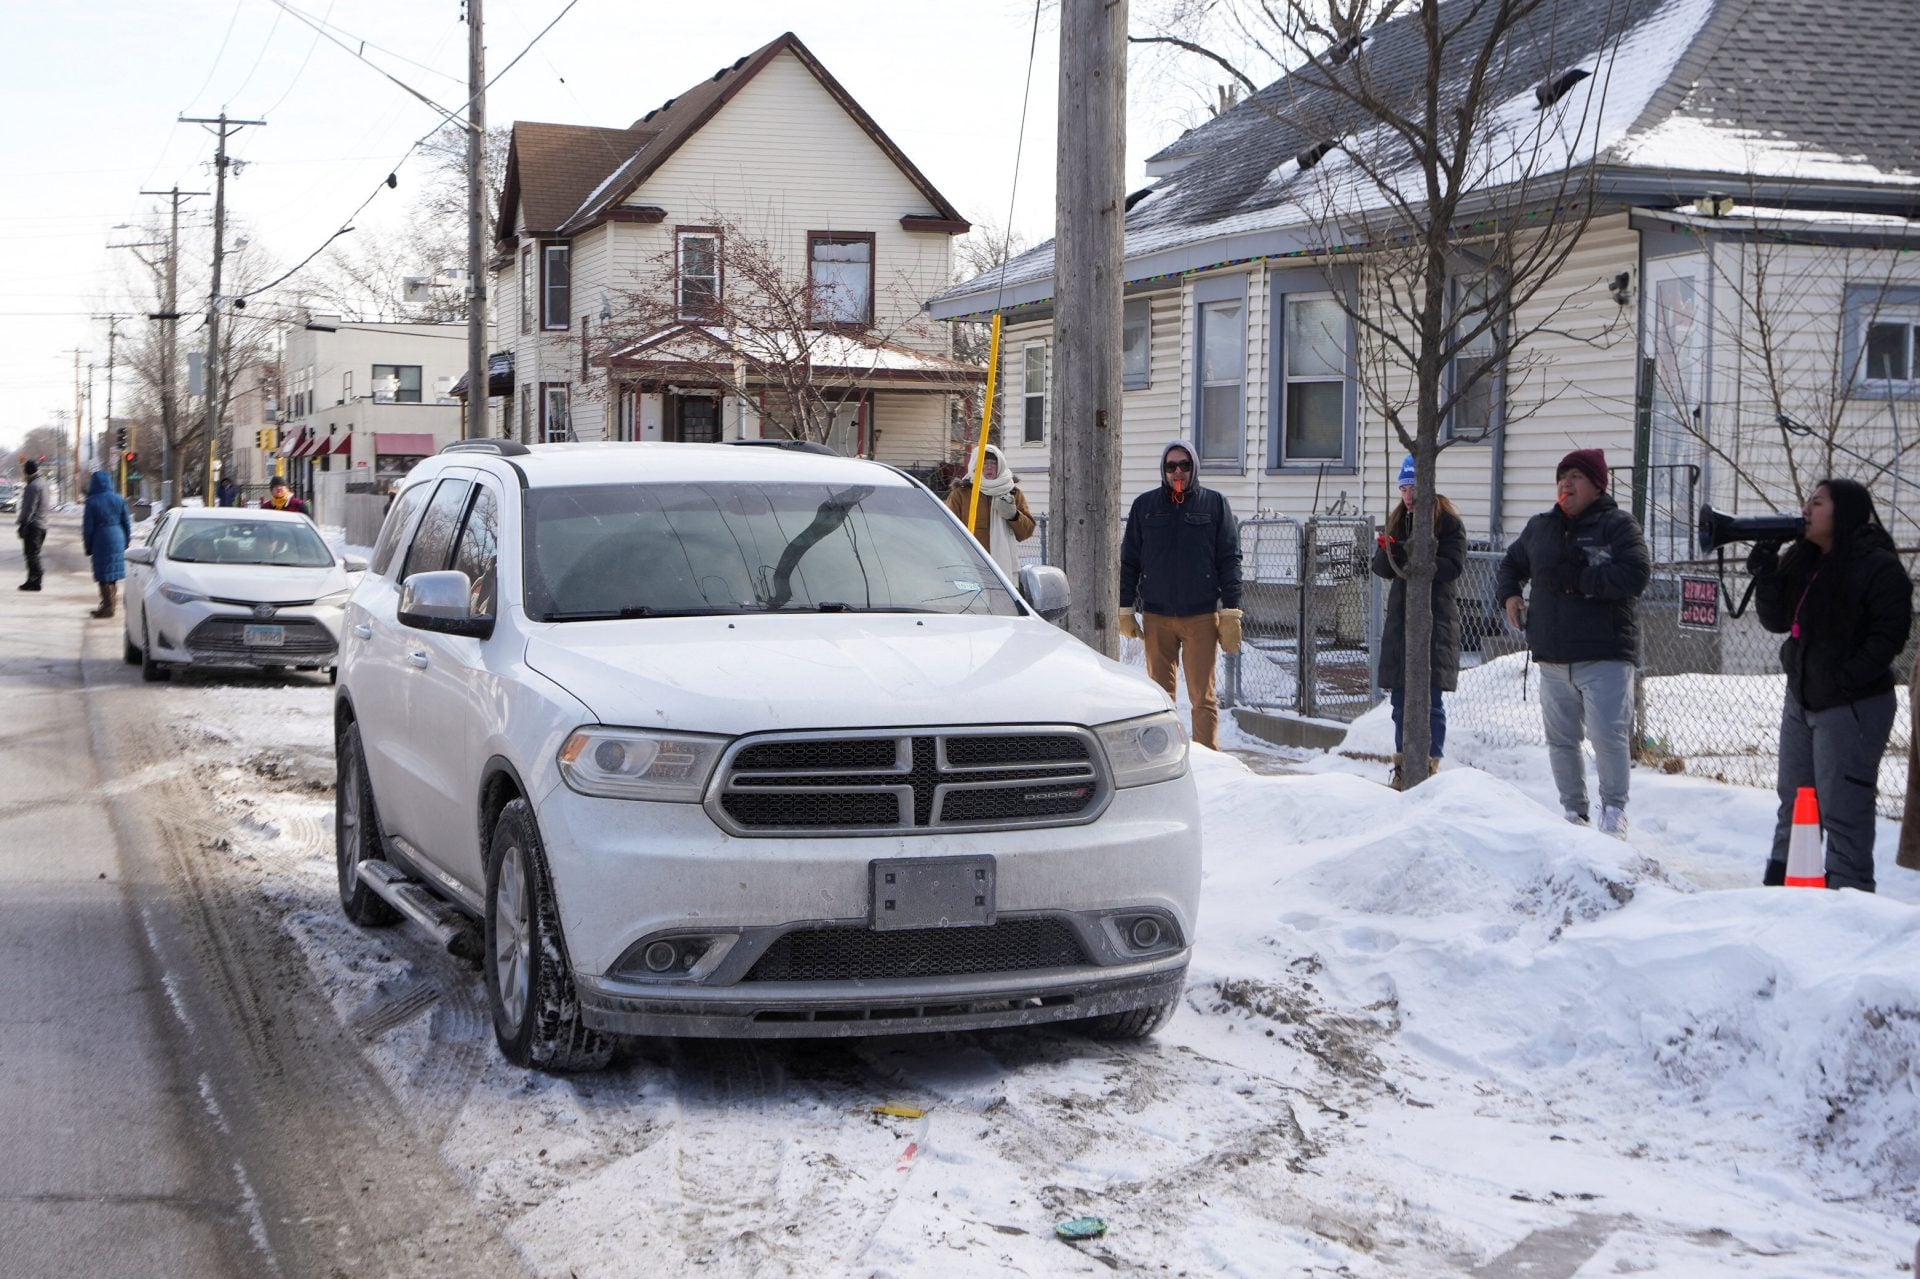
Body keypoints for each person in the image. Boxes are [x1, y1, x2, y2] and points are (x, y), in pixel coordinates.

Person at [1753, 479, 1912, 892]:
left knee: (1843, 807)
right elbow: (1777, 622)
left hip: (1852, 705)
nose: (1806, 509)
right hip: (1802, 699)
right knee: (1795, 801)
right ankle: (1785, 887)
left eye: (1817, 502)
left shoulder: (1876, 565)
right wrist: (1766, 574)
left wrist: (1846, 679)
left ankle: (1848, 895)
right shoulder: (1803, 559)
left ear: (1844, 512)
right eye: (1807, 500)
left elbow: (1890, 633)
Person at [1495, 448, 1650, 835]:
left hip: (1605, 655)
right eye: (1562, 475)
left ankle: (1614, 811)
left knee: (1607, 737)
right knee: (1561, 741)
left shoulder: (1617, 526)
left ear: (1597, 485)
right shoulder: (1541, 527)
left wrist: (1577, 579)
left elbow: (1635, 574)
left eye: (1577, 476)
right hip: (1552, 656)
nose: (1567, 482)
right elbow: (1511, 563)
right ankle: (1573, 812)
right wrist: (1510, 594)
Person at [1118, 440, 1244, 750]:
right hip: (1157, 615)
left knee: (1203, 697)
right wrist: (1125, 607)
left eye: (1184, 465)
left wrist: (1231, 611)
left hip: (1201, 615)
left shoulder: (1214, 504)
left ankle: (1209, 761)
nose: (1178, 471)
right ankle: (1166, 756)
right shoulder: (1145, 506)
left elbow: (1229, 558)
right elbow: (1130, 559)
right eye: (1171, 466)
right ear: (1163, 470)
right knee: (1160, 697)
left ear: (1194, 468)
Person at [1371, 455, 1467, 788]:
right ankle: (1402, 764)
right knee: (1400, 701)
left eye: (1413, 488)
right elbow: (1382, 568)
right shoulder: (1398, 519)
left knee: (1431, 701)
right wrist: (1390, 551)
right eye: (1403, 488)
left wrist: (1415, 556)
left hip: (1435, 620)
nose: (1408, 496)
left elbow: (1452, 566)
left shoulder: (1448, 523)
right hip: (1401, 621)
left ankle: (1429, 764)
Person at [944, 444, 1035, 577]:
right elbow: (948, 530)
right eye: (984, 463)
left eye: (993, 463)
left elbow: (1026, 532)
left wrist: (1014, 516)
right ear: (976, 465)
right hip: (970, 565)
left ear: (1001, 466)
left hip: (1003, 569)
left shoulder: (1012, 493)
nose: (989, 467)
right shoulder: (961, 494)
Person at [80, 469, 131, 619]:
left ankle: (108, 607)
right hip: (118, 536)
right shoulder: (119, 499)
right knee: (112, 574)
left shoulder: (92, 501)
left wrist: (88, 546)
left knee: (103, 575)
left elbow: (88, 527)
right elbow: (126, 523)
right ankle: (109, 604)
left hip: (101, 539)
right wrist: (126, 541)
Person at [16, 458, 48, 591]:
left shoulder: (33, 486)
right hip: (42, 524)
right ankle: (32, 580)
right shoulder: (43, 483)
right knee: (33, 553)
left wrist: (23, 523)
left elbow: (29, 508)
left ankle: (36, 577)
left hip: (33, 525)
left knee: (31, 554)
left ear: (28, 471)